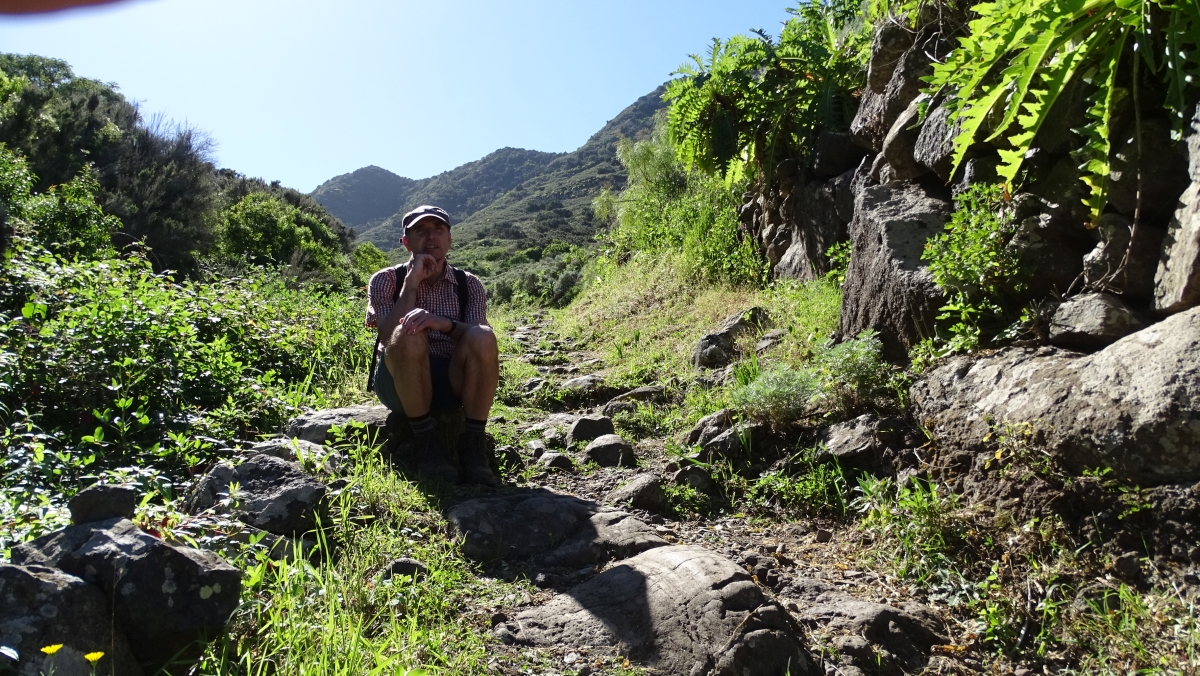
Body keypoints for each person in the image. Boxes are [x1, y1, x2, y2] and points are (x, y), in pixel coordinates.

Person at [365, 205, 500, 486]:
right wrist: (411, 284)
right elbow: (388, 335)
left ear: (450, 239)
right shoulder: (385, 280)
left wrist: (442, 323)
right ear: (406, 242)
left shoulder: (468, 284)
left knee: (483, 336)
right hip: (397, 381)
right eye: (421, 231)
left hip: (451, 378)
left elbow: (480, 333)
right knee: (408, 331)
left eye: (438, 230)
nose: (431, 237)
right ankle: (427, 443)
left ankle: (473, 445)